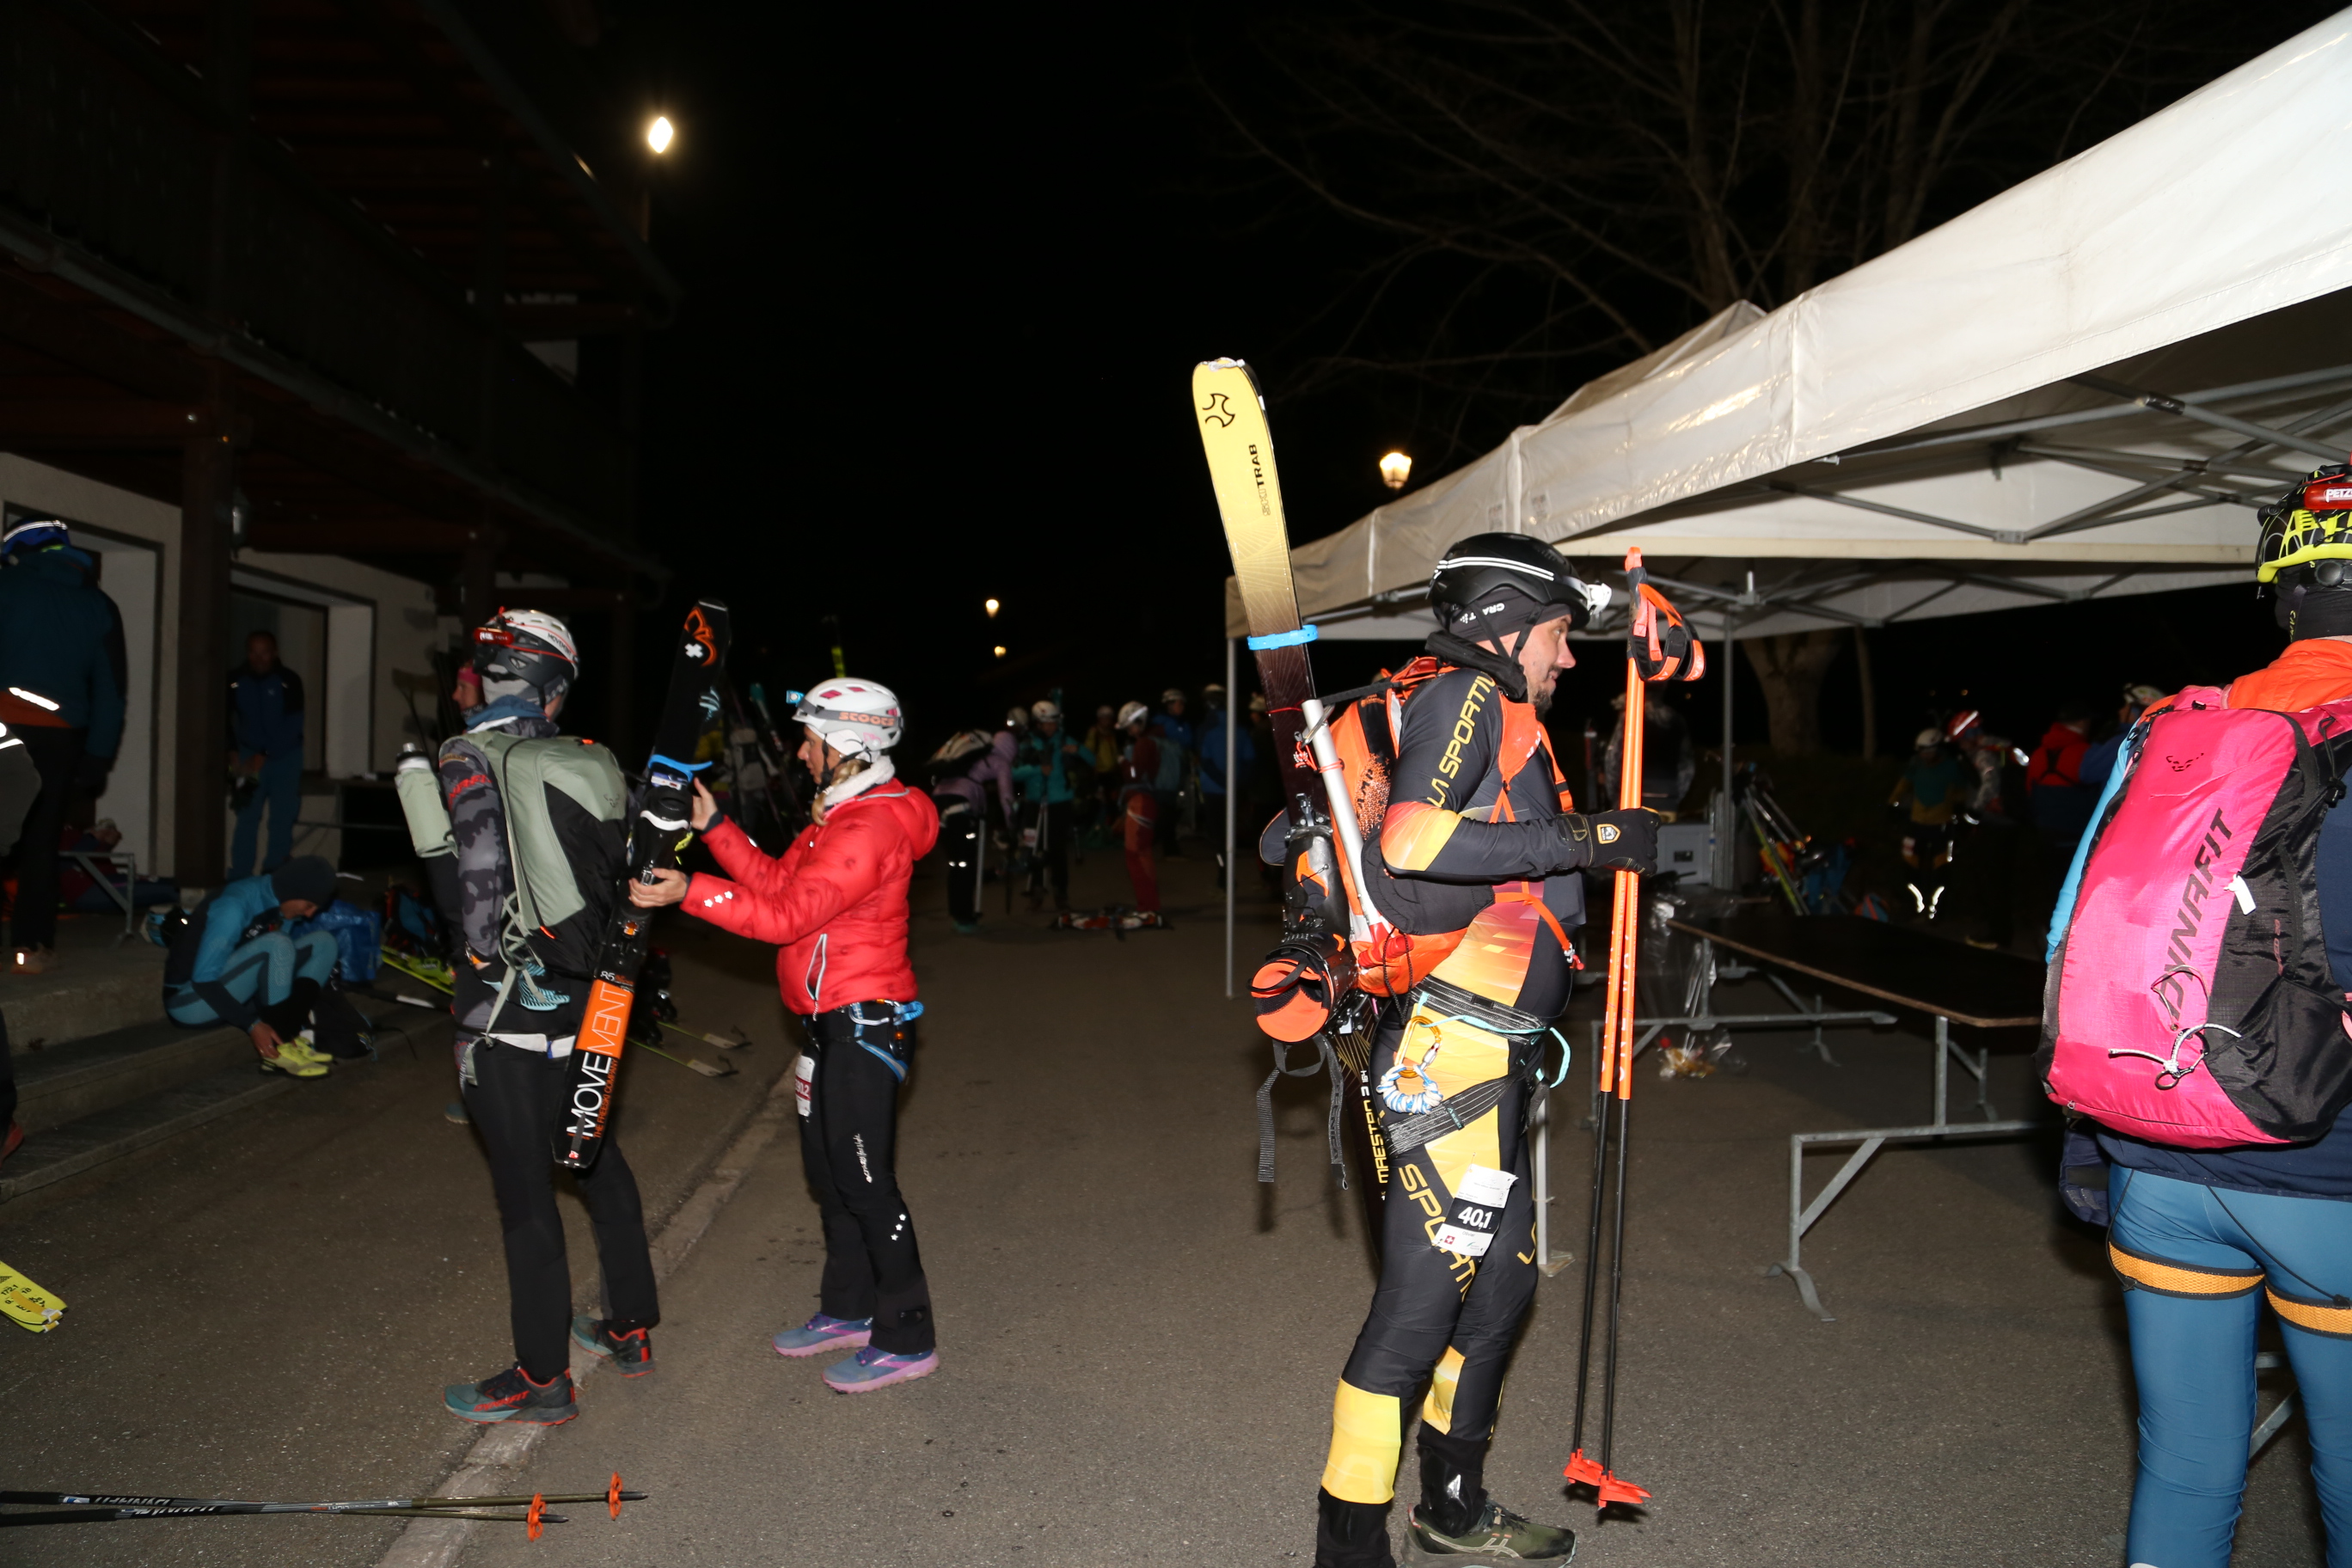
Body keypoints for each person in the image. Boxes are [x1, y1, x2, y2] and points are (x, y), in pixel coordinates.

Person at [1311, 533, 1656, 1568]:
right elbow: (1412, 842)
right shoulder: (1467, 693)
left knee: (1500, 1290)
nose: (1568, 656)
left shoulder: (1486, 704)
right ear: (1506, 624)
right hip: (1445, 1067)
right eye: (1557, 634)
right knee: (1419, 1312)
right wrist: (1591, 839)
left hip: (1489, 1062)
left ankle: (1452, 1507)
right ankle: (1347, 1550)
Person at [2076, 474, 2352, 1566]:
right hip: (2328, 1164)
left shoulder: (2170, 731)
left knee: (2186, 1466)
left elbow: (2080, 934)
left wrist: (2089, 1148)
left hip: (2160, 1147)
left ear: (2282, 592)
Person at [630, 677, 943, 1393]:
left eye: (810, 741)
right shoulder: (842, 815)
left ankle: (908, 1336)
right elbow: (777, 883)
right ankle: (849, 1308)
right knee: (830, 1177)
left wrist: (688, 891)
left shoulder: (867, 827)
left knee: (865, 1182)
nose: (801, 754)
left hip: (863, 1023)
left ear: (848, 744)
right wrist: (716, 827)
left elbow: (783, 919)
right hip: (826, 1023)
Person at [406, 609, 658, 1426]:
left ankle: (542, 1379)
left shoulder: (466, 754)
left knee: (525, 1198)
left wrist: (480, 959)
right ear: (551, 692)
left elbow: (476, 879)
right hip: (594, 1003)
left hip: (510, 1010)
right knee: (595, 1157)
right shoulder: (590, 759)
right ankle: (630, 1328)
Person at [0, 518, 126, 977]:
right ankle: (31, 948)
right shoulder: (99, 604)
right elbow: (111, 691)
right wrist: (97, 757)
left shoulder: (6, 585)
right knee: (40, 842)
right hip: (57, 737)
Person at [162, 854, 347, 1077]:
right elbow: (203, 980)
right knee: (278, 943)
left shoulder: (280, 902)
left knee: (325, 943)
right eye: (308, 905)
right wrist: (252, 1025)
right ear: (292, 891)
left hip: (234, 990)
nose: (309, 914)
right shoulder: (233, 907)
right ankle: (278, 1049)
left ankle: (287, 1035)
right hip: (190, 1002)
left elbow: (277, 972)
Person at [227, 630, 306, 878]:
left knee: (282, 818)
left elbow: (293, 725)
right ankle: (240, 876)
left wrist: (265, 753)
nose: (259, 659)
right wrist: (232, 752)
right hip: (247, 756)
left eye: (265, 653)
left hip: (285, 758)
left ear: (274, 653)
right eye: (253, 653)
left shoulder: (289, 680)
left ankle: (275, 874)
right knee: (246, 816)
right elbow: (224, 718)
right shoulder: (234, 680)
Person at [1941, 709, 2018, 950]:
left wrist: (1973, 811)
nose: (1960, 746)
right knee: (1998, 880)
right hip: (2007, 823)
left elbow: (1989, 782)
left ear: (1970, 735)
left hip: (1995, 824)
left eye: (1961, 740)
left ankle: (1996, 935)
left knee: (1991, 880)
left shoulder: (1984, 753)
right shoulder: (2000, 749)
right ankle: (1998, 931)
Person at [928, 720, 1014, 933]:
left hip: (937, 804)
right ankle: (964, 918)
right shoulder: (1000, 761)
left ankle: (958, 913)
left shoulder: (970, 758)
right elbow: (1006, 796)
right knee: (965, 865)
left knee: (957, 864)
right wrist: (1011, 822)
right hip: (960, 810)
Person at [1013, 699, 1089, 914]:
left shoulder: (1064, 740)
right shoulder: (1027, 743)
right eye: (1046, 723)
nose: (1050, 727)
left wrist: (1078, 749)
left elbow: (1092, 760)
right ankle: (1037, 891)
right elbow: (1012, 772)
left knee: (1057, 850)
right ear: (1038, 723)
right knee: (1033, 847)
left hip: (1059, 803)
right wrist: (1038, 770)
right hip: (1034, 803)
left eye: (1053, 722)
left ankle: (1060, 893)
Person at [1887, 725, 1968, 919]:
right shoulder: (1916, 763)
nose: (1924, 755)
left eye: (1928, 751)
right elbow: (1903, 785)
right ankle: (1913, 907)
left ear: (1938, 749)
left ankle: (1936, 912)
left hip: (1941, 826)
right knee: (1909, 867)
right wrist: (1892, 804)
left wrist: (1959, 807)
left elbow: (1962, 791)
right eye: (1921, 751)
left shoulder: (1951, 766)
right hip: (1916, 824)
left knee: (1941, 871)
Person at [2026, 700, 2098, 869]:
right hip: (2077, 836)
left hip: (2042, 834)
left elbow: (2029, 790)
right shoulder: (2087, 753)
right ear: (2082, 722)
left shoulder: (2038, 753)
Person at [1112, 701, 1164, 924]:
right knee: (1143, 854)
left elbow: (1134, 774)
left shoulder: (1144, 743)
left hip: (1141, 801)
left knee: (1135, 855)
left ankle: (1147, 907)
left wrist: (1123, 761)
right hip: (1149, 800)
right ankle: (1150, 905)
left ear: (1139, 722)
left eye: (1130, 727)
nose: (1129, 732)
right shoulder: (1157, 739)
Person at [2079, 682, 2166, 793]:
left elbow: (2088, 774)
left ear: (2138, 711)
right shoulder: (2160, 742)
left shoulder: (2123, 741)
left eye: (2126, 706)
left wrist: (2099, 742)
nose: (2121, 711)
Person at [1155, 688, 1193, 853]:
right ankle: (1168, 847)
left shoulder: (1179, 723)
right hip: (1166, 774)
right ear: (1169, 705)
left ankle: (1167, 845)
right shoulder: (1163, 723)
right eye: (1179, 703)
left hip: (1176, 772)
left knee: (1174, 808)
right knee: (1167, 809)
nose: (1182, 706)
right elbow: (1185, 741)